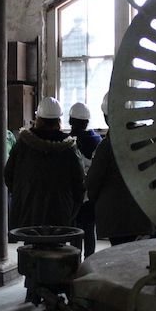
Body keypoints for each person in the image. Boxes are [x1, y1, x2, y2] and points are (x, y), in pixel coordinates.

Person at [5, 97, 85, 230]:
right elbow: (79, 183)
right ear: (59, 120)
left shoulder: (24, 143)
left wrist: (23, 193)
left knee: (30, 241)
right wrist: (71, 209)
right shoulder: (69, 147)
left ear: (38, 119)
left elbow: (8, 175)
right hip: (61, 212)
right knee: (58, 242)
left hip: (28, 212)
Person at [87, 93, 154, 246]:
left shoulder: (107, 146)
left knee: (120, 256)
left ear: (107, 117)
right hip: (144, 215)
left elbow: (92, 182)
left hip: (115, 218)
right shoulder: (147, 142)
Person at [68, 102, 102, 257]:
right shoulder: (98, 141)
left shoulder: (68, 142)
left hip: (73, 195)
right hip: (91, 195)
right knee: (89, 231)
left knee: (75, 232)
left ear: (70, 121)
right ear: (87, 122)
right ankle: (89, 263)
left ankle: (74, 264)